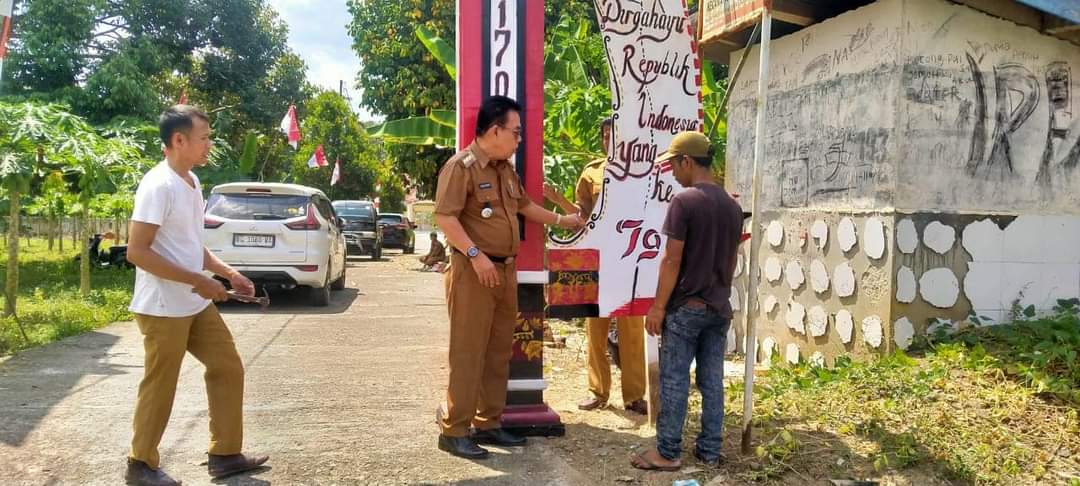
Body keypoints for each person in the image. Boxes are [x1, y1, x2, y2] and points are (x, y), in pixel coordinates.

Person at [124, 105, 268, 486]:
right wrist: (199, 281)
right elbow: (137, 251)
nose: (209, 145)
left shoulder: (190, 182)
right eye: (204, 138)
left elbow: (191, 244)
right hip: (162, 307)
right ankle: (140, 465)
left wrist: (228, 273)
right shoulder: (158, 185)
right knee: (161, 383)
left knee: (227, 366)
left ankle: (225, 454)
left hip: (193, 301)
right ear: (178, 140)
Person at [435, 95, 585, 459]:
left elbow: (524, 206)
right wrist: (475, 255)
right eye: (515, 132)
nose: (519, 139)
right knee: (468, 351)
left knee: (500, 350)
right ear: (495, 130)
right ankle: (454, 430)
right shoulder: (461, 167)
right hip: (474, 273)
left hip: (505, 271)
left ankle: (488, 423)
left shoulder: (504, 169)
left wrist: (563, 221)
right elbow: (445, 217)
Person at [629, 131, 743, 471]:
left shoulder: (685, 201)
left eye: (674, 166)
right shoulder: (732, 206)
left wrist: (658, 306)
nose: (673, 173)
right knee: (711, 382)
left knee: (675, 379)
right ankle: (709, 450)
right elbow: (732, 259)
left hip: (687, 309)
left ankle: (667, 452)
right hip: (719, 308)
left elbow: (671, 259)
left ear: (687, 162)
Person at [543, 117, 648, 415]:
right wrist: (555, 198)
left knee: (631, 331)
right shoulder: (591, 174)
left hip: (629, 259)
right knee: (595, 329)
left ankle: (634, 396)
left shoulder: (639, 174)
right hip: (596, 259)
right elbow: (581, 217)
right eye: (604, 136)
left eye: (613, 136)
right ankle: (598, 392)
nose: (608, 141)